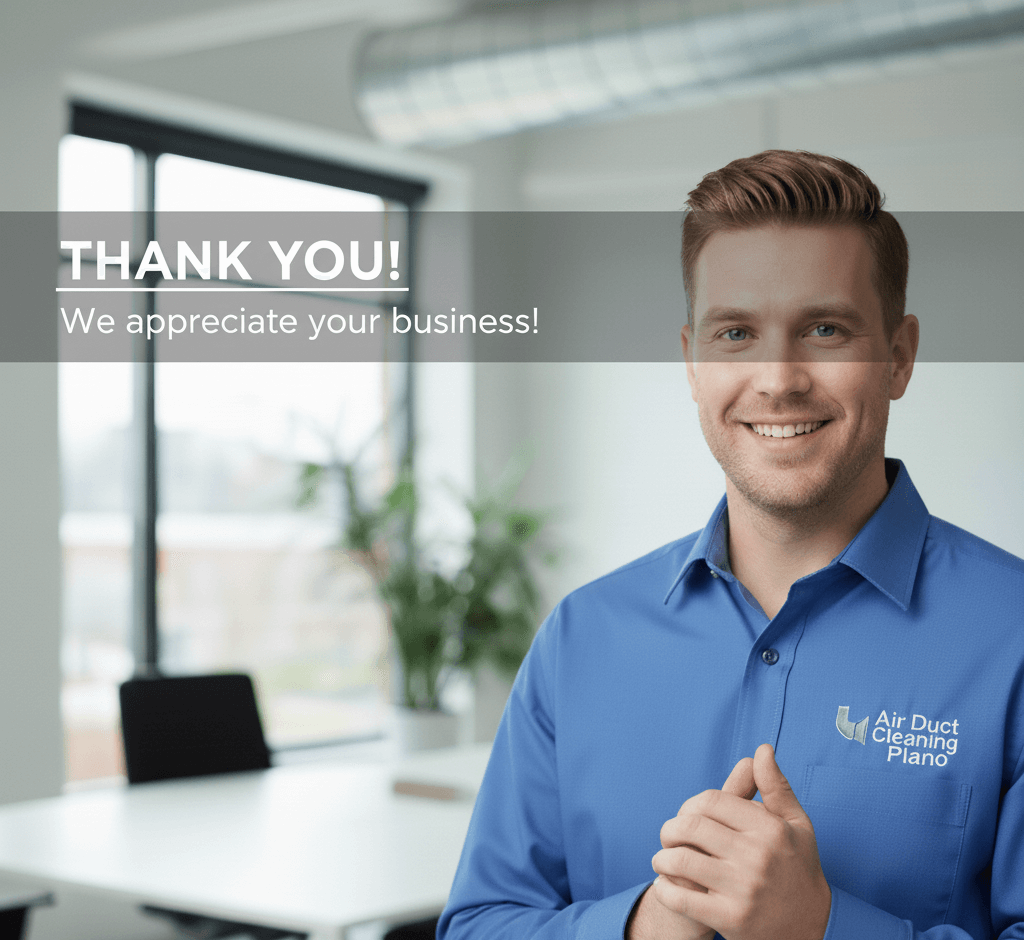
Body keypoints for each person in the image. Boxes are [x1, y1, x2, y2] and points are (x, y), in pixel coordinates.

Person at [436, 151, 1024, 940]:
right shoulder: (581, 638)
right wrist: (640, 927)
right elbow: (477, 925)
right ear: (692, 360)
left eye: (825, 329)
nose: (778, 379)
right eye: (736, 333)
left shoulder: (1011, 637)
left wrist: (820, 928)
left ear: (898, 356)